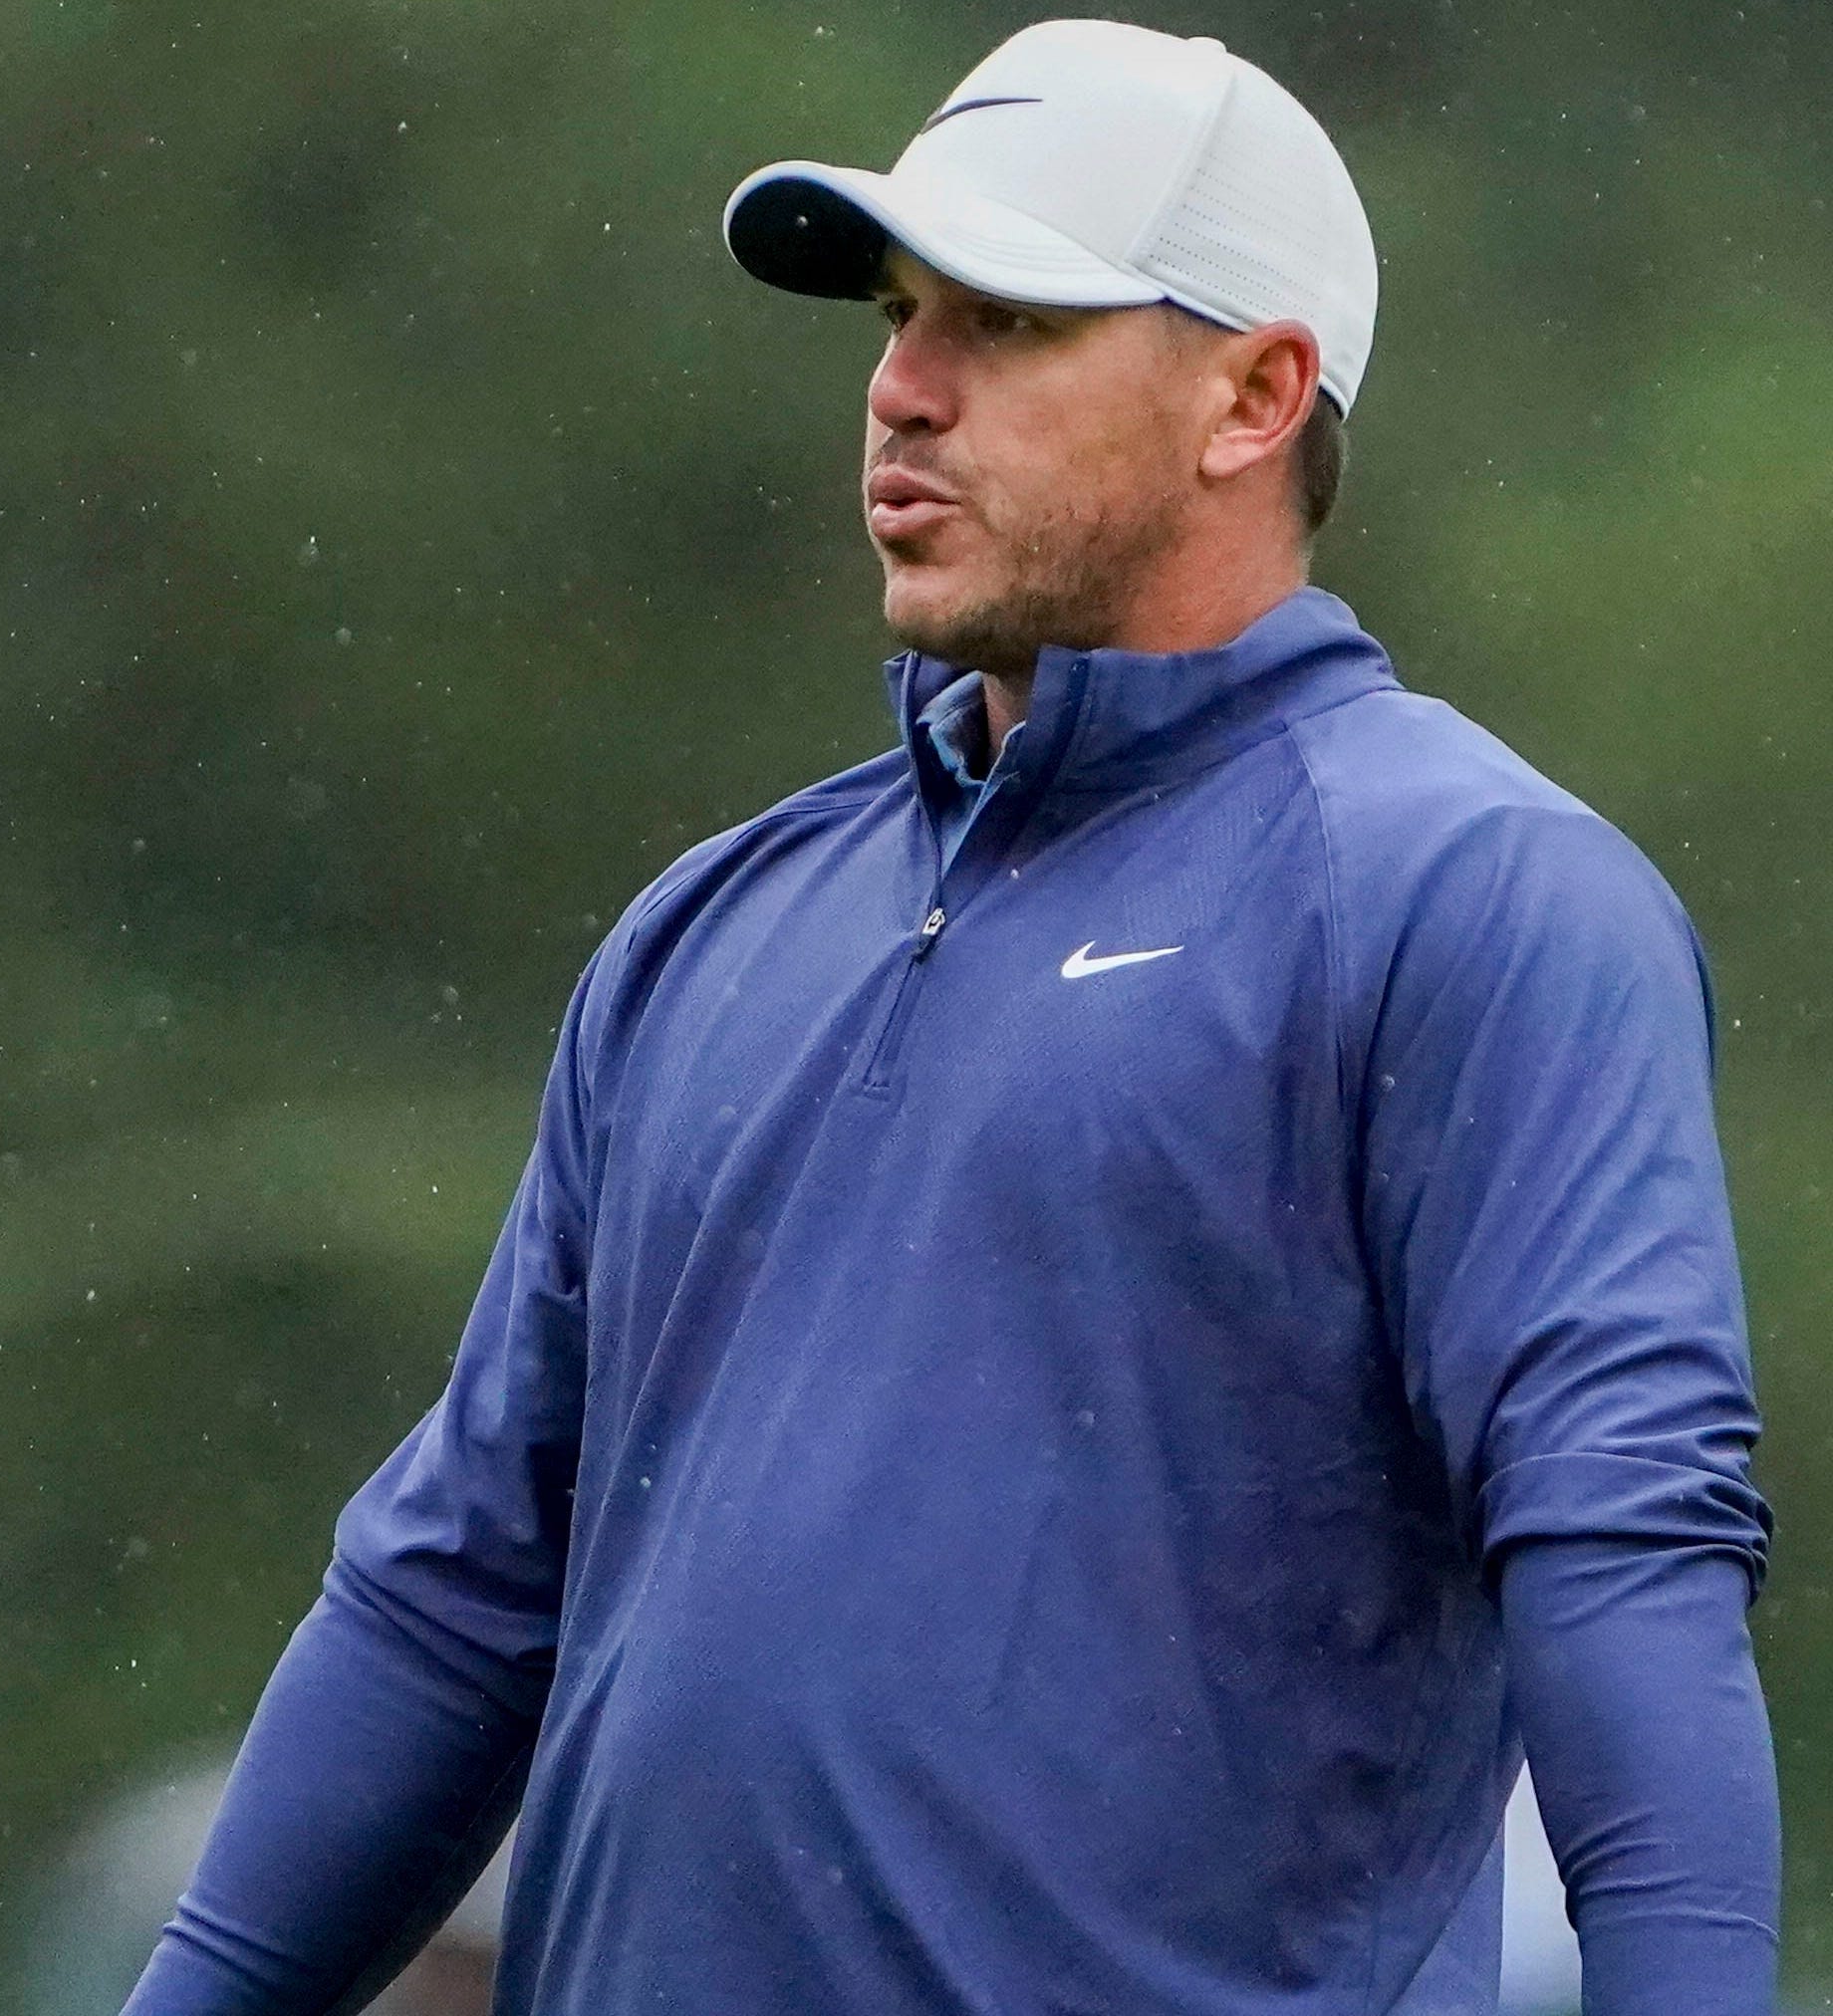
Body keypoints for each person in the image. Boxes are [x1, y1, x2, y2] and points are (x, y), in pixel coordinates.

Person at [122, 21, 1779, 2015]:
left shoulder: (1471, 893)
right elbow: (454, 1600)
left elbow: (1623, 1558)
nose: (903, 391)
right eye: (900, 319)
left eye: (1004, 322)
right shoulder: (709, 926)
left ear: (1252, 392)